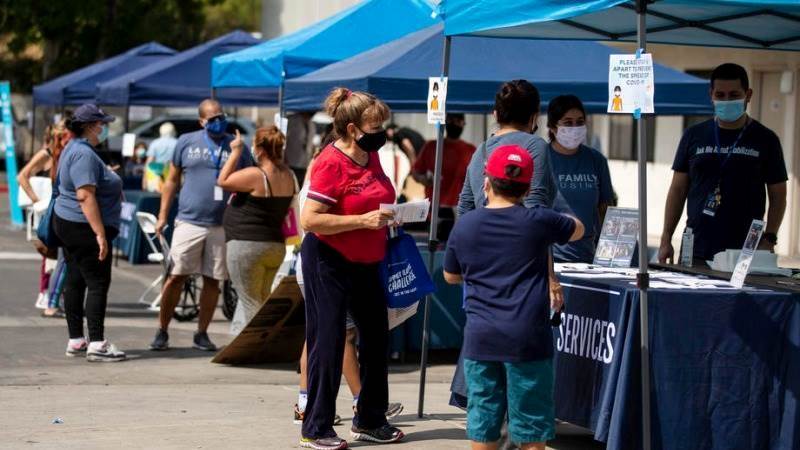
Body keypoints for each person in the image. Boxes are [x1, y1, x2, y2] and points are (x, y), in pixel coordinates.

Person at [443, 144, 584, 450]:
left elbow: (451, 276)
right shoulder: (540, 221)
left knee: (483, 424)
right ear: (529, 186)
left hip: (481, 338)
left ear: (486, 182)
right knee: (531, 428)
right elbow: (579, 229)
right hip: (528, 339)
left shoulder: (465, 225)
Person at [299, 87, 403, 449]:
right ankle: (316, 427)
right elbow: (309, 219)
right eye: (376, 126)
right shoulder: (330, 161)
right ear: (351, 127)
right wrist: (362, 220)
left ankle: (371, 418)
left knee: (376, 337)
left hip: (367, 259)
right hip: (328, 258)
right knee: (328, 340)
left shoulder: (370, 156)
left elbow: (378, 197)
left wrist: (395, 215)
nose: (383, 133)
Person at [150, 99, 252, 352]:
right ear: (202, 121)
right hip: (189, 219)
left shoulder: (237, 145)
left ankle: (202, 333)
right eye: (213, 117)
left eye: (222, 115)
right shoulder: (186, 141)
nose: (219, 120)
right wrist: (163, 214)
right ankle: (162, 330)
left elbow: (251, 180)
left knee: (213, 280)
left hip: (222, 224)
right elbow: (172, 180)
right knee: (176, 277)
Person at [658, 63, 788, 263]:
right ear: (711, 95)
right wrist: (666, 238)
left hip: (745, 250)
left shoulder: (766, 139)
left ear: (748, 95)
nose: (727, 100)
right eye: (720, 95)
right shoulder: (694, 135)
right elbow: (677, 189)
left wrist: (770, 238)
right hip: (696, 246)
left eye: (734, 95)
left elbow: (778, 195)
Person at [53, 104, 126, 362]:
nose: (104, 127)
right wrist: (100, 234)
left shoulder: (75, 149)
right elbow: (85, 196)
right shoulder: (83, 154)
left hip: (69, 223)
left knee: (75, 279)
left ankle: (76, 339)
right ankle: (97, 343)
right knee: (97, 282)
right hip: (82, 225)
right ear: (89, 126)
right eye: (101, 123)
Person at [217, 125, 294, 324]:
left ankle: (254, 352)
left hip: (247, 246)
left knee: (251, 303)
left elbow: (223, 180)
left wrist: (235, 152)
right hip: (274, 247)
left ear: (259, 149)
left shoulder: (256, 175)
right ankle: (261, 347)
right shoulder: (289, 175)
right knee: (261, 300)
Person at [546, 95, 614, 263]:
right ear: (553, 126)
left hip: (587, 259)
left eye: (580, 121)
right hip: (549, 260)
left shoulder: (596, 160)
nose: (575, 128)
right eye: (568, 122)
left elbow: (606, 209)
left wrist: (609, 252)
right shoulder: (540, 158)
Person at [18, 120, 71, 318]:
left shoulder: (63, 155)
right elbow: (22, 176)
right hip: (46, 212)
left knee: (55, 255)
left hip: (57, 211)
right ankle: (46, 294)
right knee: (49, 253)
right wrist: (36, 200)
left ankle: (54, 295)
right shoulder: (46, 155)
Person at [411, 113, 476, 241]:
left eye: (459, 121)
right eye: (452, 120)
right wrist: (425, 180)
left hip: (461, 211)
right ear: (445, 122)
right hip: (435, 212)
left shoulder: (471, 150)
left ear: (464, 124)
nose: (455, 124)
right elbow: (416, 172)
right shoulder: (431, 147)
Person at [145, 122, 177, 193]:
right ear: (173, 131)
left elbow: (149, 163)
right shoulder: (177, 143)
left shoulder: (155, 143)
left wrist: (145, 181)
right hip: (172, 173)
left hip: (156, 174)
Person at [285, 112, 316, 183]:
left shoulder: (311, 124)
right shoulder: (292, 120)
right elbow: (285, 139)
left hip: (305, 163)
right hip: (292, 162)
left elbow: (310, 143)